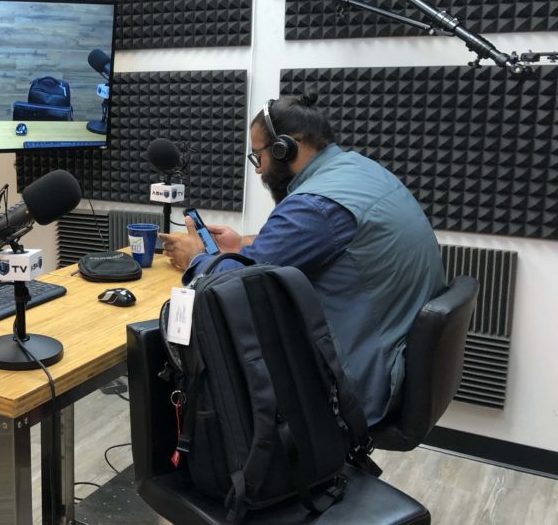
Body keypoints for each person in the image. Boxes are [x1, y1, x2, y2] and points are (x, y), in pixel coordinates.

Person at [160, 92, 446, 425]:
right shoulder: (358, 171)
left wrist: (196, 257)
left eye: (259, 157)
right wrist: (243, 244)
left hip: (361, 384)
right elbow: (329, 244)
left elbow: (229, 290)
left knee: (218, 352)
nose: (259, 171)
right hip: (396, 358)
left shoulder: (314, 206)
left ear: (286, 148)